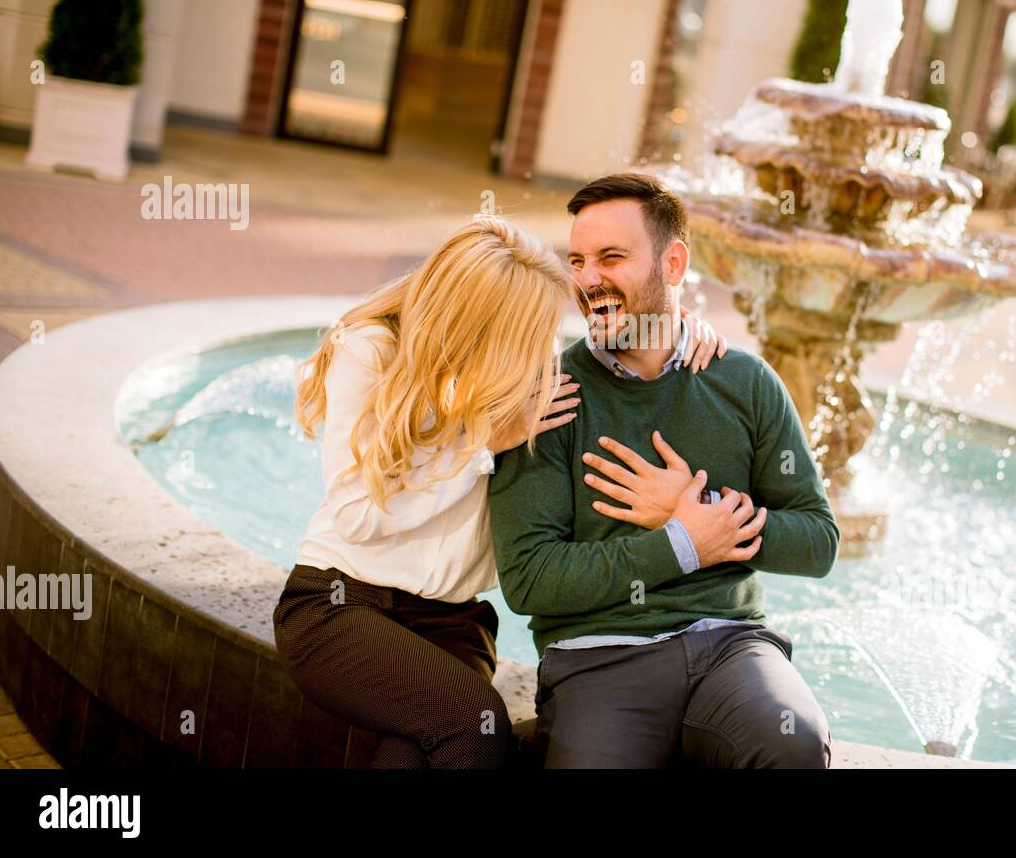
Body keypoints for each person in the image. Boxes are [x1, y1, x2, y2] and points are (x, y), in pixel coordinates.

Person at [271, 214, 730, 768]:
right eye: (525, 331)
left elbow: (616, 369)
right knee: (474, 730)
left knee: (416, 751)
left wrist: (680, 332)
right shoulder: (372, 353)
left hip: (451, 624)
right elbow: (357, 516)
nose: (537, 347)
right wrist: (481, 445)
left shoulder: (519, 377)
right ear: (482, 321)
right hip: (342, 605)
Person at [488, 173, 841, 769]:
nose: (588, 278)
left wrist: (701, 513)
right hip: (601, 656)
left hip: (732, 647)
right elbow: (529, 580)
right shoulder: (547, 398)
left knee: (793, 742)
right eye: (577, 260)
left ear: (672, 264)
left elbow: (819, 542)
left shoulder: (746, 383)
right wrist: (681, 543)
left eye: (611, 257)